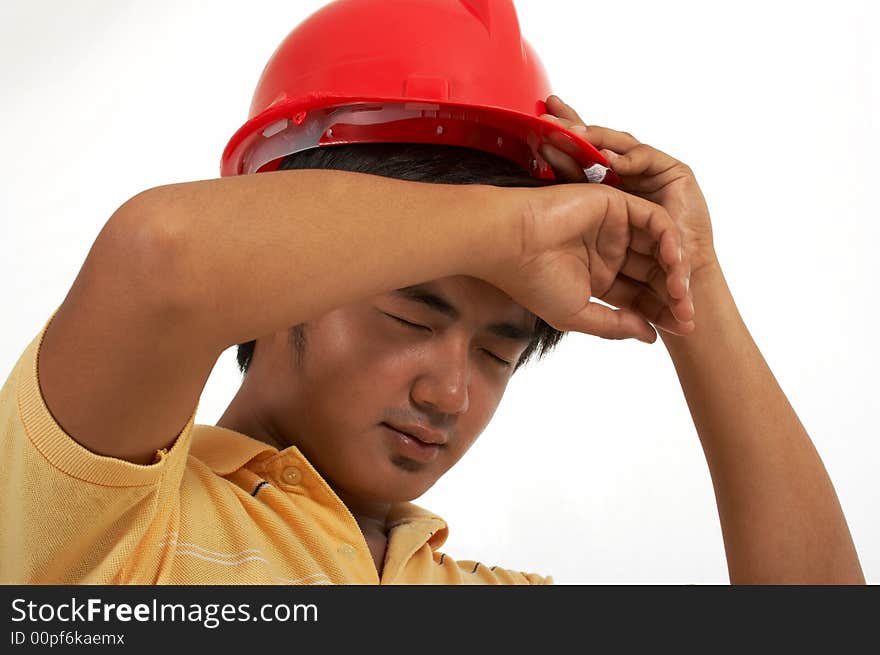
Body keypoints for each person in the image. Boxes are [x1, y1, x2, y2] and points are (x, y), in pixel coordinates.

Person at [0, 0, 864, 585]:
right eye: (413, 312)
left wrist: (692, 285)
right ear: (288, 282)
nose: (450, 393)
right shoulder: (106, 518)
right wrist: (511, 228)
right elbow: (158, 257)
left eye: (501, 351)